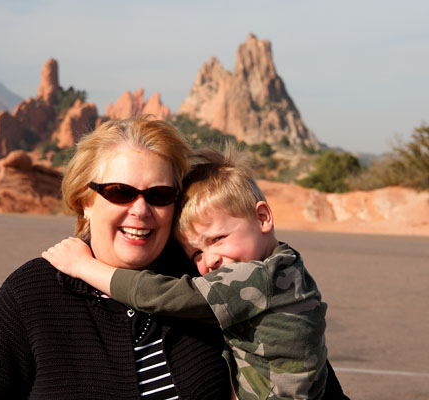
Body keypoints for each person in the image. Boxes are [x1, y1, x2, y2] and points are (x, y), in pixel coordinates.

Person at [0, 116, 235, 399]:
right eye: (120, 192)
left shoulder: (201, 277)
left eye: (158, 195)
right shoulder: (35, 292)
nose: (141, 210)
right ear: (85, 203)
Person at [43, 146, 346, 399]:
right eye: (196, 253)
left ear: (263, 218)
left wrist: (85, 267)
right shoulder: (287, 263)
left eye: (217, 239)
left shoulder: (257, 278)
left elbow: (165, 297)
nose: (210, 260)